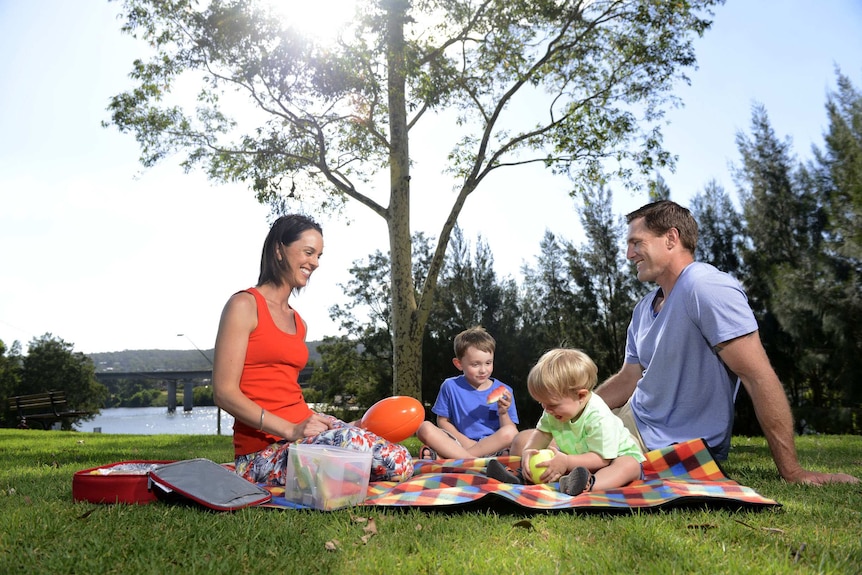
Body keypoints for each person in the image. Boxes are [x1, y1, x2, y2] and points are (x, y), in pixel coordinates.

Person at [592, 200, 858, 486]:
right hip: (633, 419)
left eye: (636, 242)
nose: (629, 254)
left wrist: (793, 472)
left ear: (671, 238)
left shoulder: (706, 288)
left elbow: (757, 376)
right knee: (548, 435)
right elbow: (628, 378)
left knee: (552, 458)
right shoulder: (644, 307)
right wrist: (578, 407)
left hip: (670, 444)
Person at [212, 214, 413, 485]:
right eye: (308, 252)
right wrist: (291, 429)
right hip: (260, 456)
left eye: (319, 255)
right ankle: (342, 468)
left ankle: (340, 464)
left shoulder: (298, 322)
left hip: (303, 431)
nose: (315, 263)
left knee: (397, 454)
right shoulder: (244, 306)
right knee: (389, 459)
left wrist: (319, 424)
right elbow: (224, 393)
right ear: (279, 250)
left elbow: (284, 391)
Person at [487, 348, 644, 494]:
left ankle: (588, 484)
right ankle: (521, 477)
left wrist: (567, 462)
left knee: (629, 466)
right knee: (550, 459)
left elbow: (602, 459)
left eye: (552, 404)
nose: (546, 409)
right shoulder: (553, 411)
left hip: (611, 458)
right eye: (542, 403)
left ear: (581, 396)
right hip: (578, 460)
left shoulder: (598, 416)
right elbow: (541, 434)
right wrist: (529, 451)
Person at [415, 327, 519, 459]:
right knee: (424, 428)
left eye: (488, 363)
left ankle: (454, 458)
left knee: (510, 432)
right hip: (458, 443)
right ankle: (473, 460)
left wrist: (503, 413)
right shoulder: (450, 386)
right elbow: (442, 421)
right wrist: (466, 443)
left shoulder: (505, 390)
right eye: (475, 364)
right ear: (459, 364)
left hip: (493, 446)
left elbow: (510, 432)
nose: (483, 370)